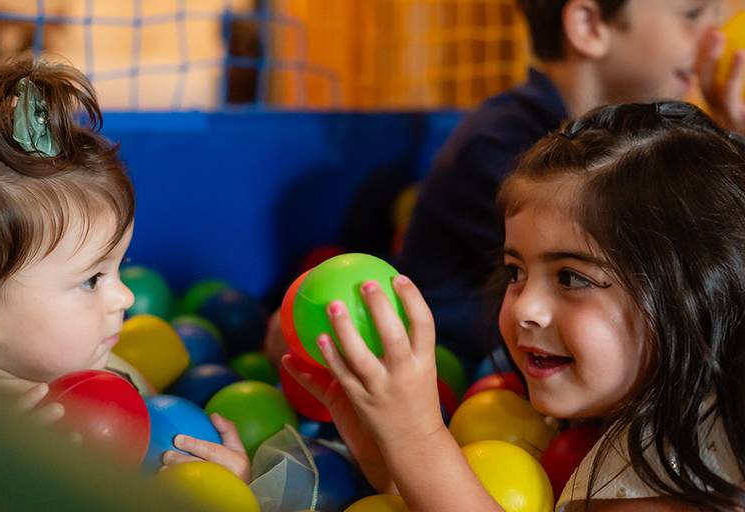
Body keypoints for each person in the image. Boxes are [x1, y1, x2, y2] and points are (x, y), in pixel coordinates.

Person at [284, 101, 745, 510]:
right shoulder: (637, 417)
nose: (526, 307)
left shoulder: (686, 470)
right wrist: (386, 451)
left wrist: (419, 441)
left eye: (571, 277)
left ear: (690, 296)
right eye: (515, 272)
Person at [397, 0, 745, 372]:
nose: (716, 40)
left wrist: (729, 148)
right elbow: (672, 281)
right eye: (692, 15)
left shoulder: (643, 151)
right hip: (466, 367)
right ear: (588, 26)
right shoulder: (501, 145)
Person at [0, 59, 248, 481]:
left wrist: (226, 486)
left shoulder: (121, 380)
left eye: (121, 267)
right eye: (91, 279)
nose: (125, 297)